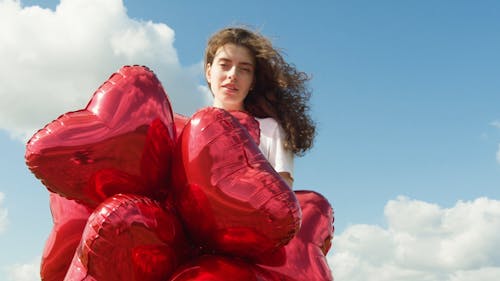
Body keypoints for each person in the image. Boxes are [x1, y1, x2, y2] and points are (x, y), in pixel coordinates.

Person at [204, 26, 315, 187]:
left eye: (244, 69)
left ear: (252, 82)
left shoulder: (270, 130)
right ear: (209, 72)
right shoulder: (188, 131)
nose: (233, 74)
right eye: (224, 65)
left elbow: (284, 201)